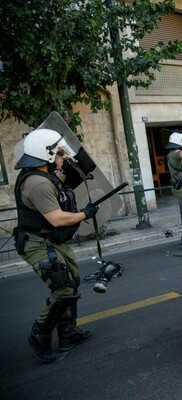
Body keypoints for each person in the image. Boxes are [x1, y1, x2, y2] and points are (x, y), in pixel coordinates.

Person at [14, 129, 98, 363]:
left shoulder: (44, 175)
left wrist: (73, 168)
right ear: (46, 154)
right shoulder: (36, 183)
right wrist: (84, 214)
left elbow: (60, 183)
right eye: (59, 152)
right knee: (62, 287)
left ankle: (68, 334)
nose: (63, 156)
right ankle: (39, 336)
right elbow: (57, 218)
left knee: (72, 281)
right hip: (36, 242)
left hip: (50, 239)